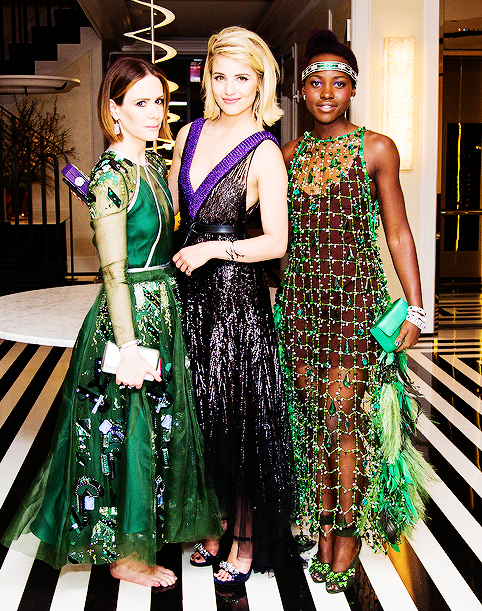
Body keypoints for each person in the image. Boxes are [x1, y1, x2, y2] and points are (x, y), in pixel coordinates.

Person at [2, 56, 222, 589]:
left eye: (159, 102)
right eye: (140, 103)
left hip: (161, 308)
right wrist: (126, 345)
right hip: (131, 318)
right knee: (128, 433)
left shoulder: (146, 165)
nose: (154, 113)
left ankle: (143, 532)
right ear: (113, 110)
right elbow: (113, 269)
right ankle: (127, 556)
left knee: (150, 430)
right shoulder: (111, 175)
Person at [275, 29, 435, 594]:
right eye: (315, 82)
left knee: (345, 426)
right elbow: (275, 237)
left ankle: (344, 539)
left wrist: (416, 307)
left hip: (356, 311)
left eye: (338, 83)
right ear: (301, 90)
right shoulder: (287, 155)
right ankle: (319, 529)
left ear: (353, 90)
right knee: (307, 427)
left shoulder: (377, 148)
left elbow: (398, 231)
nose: (325, 93)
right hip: (298, 311)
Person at [168, 26, 293, 584]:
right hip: (188, 296)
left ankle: (243, 540)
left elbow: (277, 242)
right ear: (207, 81)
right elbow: (174, 223)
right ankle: (210, 523)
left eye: (242, 77)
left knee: (239, 418)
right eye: (220, 76)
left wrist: (215, 248)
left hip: (235, 300)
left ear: (260, 80)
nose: (230, 86)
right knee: (199, 415)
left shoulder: (265, 149)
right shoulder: (186, 136)